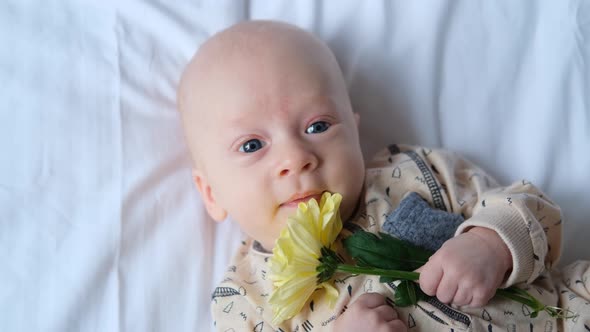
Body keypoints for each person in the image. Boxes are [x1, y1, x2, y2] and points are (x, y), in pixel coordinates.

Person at [177, 20, 590, 331]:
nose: (296, 158)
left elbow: (532, 211)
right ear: (210, 193)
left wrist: (491, 243)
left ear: (354, 131)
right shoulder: (244, 300)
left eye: (317, 126)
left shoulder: (411, 172)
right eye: (252, 145)